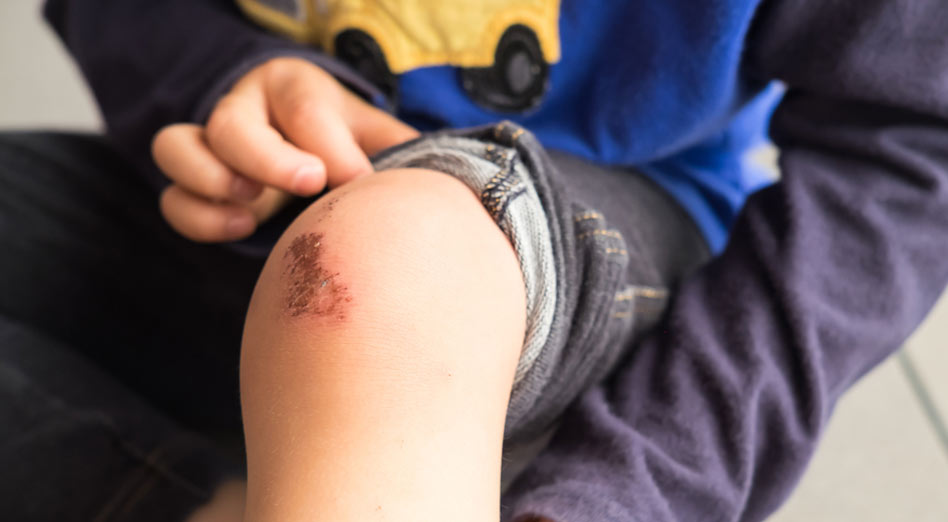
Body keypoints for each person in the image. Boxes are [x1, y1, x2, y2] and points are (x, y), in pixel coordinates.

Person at [1, 0, 947, 521]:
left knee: (381, 265)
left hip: (570, 261)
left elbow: (906, 152)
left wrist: (634, 486)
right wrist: (223, 73)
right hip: (248, 207)